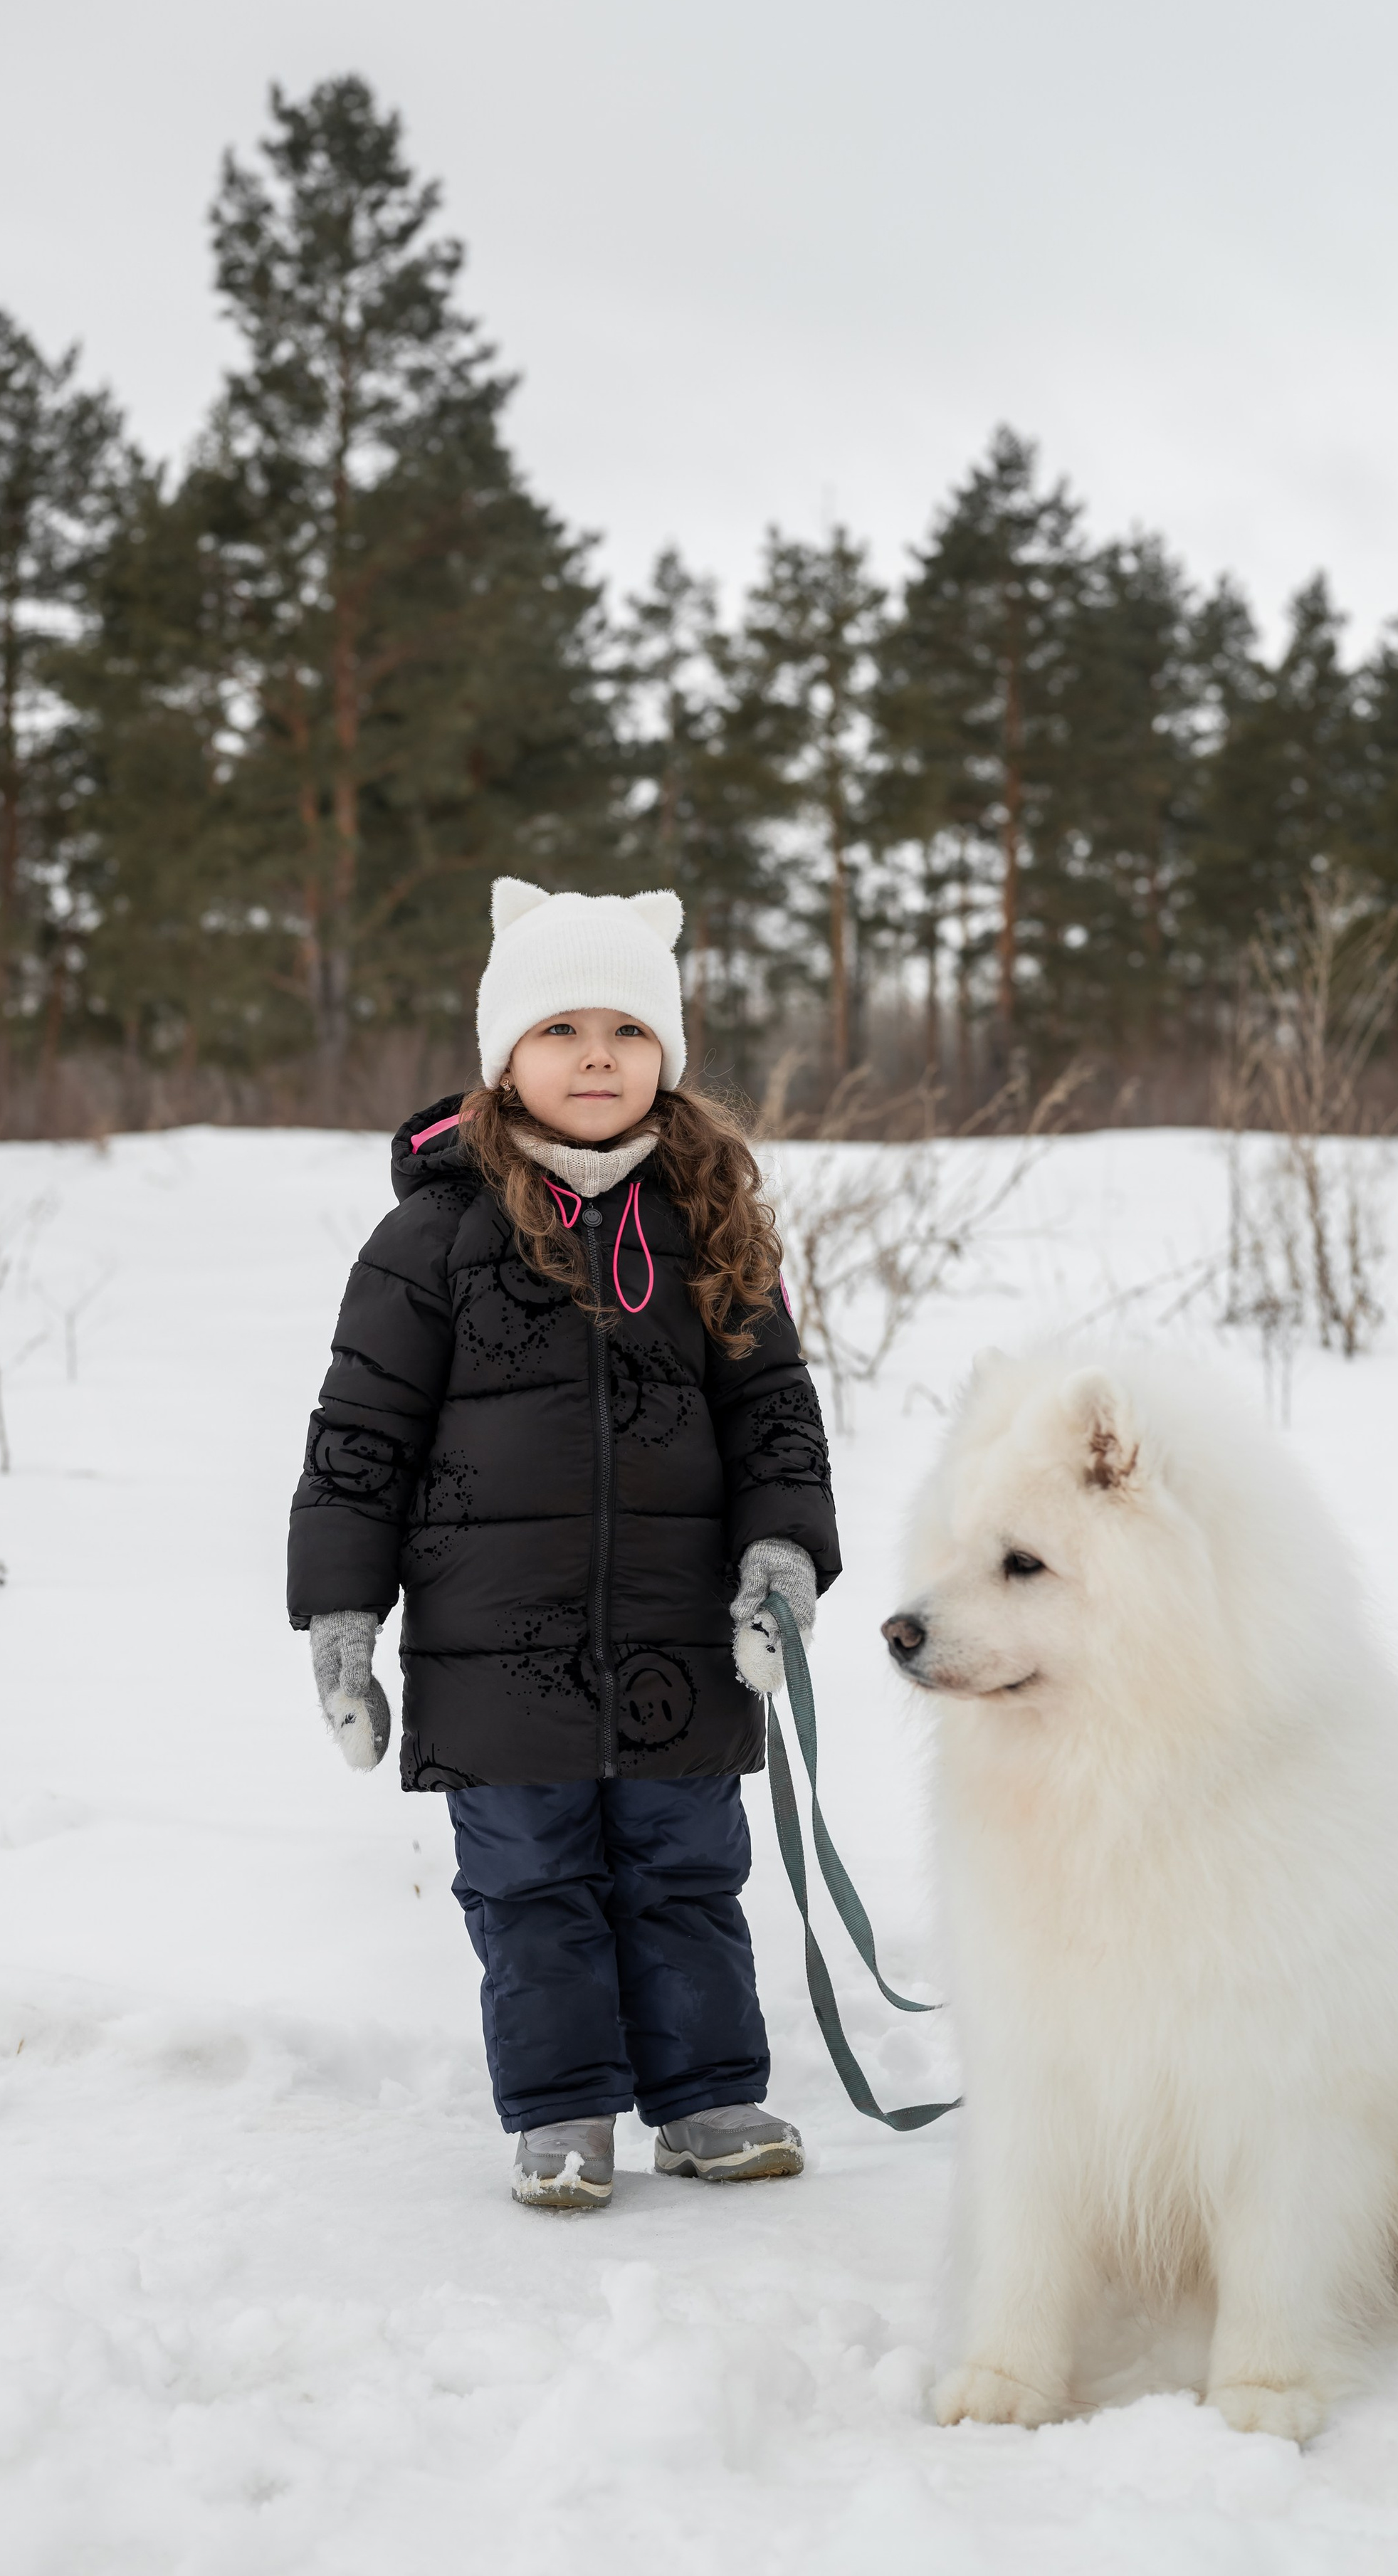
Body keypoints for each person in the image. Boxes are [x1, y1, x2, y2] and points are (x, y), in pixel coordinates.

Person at [287, 880, 840, 2209]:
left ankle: (709, 2100)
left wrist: (782, 1557)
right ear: (503, 1060)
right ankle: (565, 2110)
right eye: (562, 1029)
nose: (598, 1056)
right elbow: (357, 1436)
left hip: (674, 1638)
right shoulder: (433, 1235)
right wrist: (344, 1625)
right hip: (497, 1648)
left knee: (688, 1874)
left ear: (666, 1055)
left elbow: (776, 1416)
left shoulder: (712, 1228)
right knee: (530, 1884)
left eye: (627, 1031)